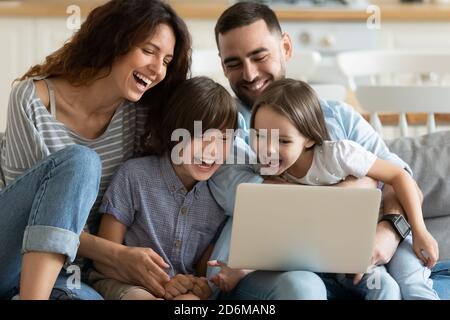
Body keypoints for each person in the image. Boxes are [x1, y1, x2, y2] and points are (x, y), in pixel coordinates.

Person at [206, 1, 450, 300]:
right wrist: (361, 185)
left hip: (347, 263)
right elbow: (272, 204)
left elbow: (399, 177)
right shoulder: (223, 135)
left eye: (260, 56)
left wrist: (389, 230)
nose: (250, 73)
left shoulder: (337, 117)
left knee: (390, 286)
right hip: (268, 272)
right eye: (233, 63)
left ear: (286, 47)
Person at [0, 0, 191, 300]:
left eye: (166, 60)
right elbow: (33, 220)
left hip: (72, 273)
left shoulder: (140, 117)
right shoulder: (33, 99)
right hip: (9, 254)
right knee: (82, 162)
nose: (157, 70)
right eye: (149, 51)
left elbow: (203, 130)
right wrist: (117, 255)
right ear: (115, 40)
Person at [211, 79, 440, 300]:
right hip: (337, 256)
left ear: (309, 139)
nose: (268, 149)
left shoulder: (340, 154)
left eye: (283, 141)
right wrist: (241, 269)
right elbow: (282, 236)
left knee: (402, 286)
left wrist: (420, 231)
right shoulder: (265, 170)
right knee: (384, 287)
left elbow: (398, 175)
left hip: (379, 236)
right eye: (260, 136)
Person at [89, 77, 237, 300]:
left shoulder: (218, 197)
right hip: (122, 280)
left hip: (178, 286)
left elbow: (200, 269)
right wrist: (163, 284)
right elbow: (104, 259)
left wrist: (199, 285)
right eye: (200, 136)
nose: (212, 149)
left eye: (224, 139)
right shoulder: (135, 176)